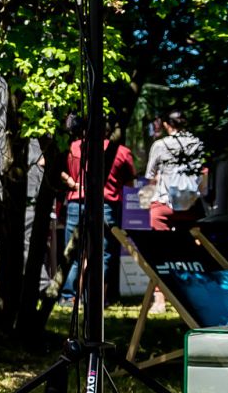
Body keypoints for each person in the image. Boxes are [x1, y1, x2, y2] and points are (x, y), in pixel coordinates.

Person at [59, 120, 135, 304]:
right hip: (106, 204)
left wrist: (70, 181)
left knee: (73, 251)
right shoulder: (121, 151)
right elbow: (130, 182)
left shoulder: (74, 147)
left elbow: (47, 164)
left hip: (77, 202)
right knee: (104, 253)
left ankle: (69, 296)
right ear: (109, 132)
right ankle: (95, 297)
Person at [146, 110, 208, 231]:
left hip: (163, 205)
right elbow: (203, 173)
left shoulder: (160, 145)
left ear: (165, 124)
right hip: (191, 206)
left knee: (159, 245)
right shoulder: (196, 144)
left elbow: (151, 176)